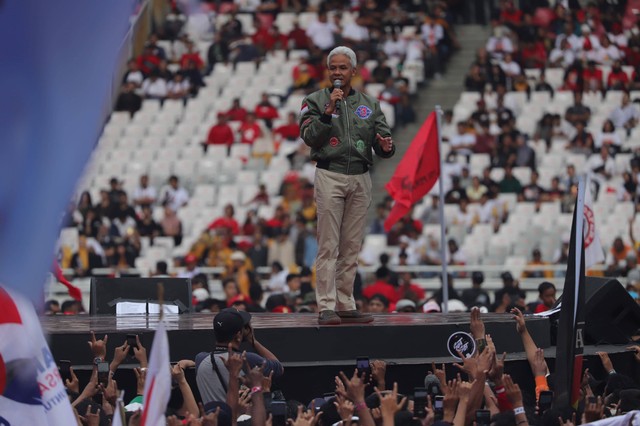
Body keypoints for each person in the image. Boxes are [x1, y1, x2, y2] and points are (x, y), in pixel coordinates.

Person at [300, 46, 395, 325]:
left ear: (354, 71)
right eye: (333, 68)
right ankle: (327, 305)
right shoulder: (315, 100)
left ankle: (345, 302)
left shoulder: (369, 103)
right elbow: (308, 136)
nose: (337, 73)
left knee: (351, 245)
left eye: (343, 68)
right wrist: (328, 112)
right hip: (330, 174)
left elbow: (383, 139)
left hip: (361, 176)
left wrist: (386, 146)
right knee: (328, 244)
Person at [195, 308, 283, 405]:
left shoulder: (200, 359)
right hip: (242, 418)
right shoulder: (247, 360)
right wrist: (253, 340)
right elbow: (279, 367)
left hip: (212, 418)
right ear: (239, 334)